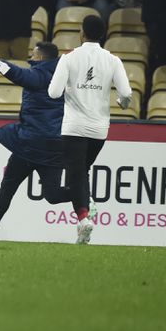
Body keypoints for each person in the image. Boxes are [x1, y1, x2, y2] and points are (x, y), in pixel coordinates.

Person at [0, 42, 69, 241]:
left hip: (30, 143)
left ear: (40, 58)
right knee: (53, 195)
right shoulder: (63, 77)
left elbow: (18, 74)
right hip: (53, 145)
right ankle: (83, 197)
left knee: (7, 188)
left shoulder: (40, 76)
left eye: (34, 54)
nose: (31, 55)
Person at [47, 14, 132, 244]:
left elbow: (53, 93)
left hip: (74, 126)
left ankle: (84, 219)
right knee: (80, 173)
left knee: (76, 176)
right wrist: (121, 104)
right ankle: (84, 215)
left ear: (81, 32)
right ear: (102, 34)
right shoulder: (113, 60)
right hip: (98, 129)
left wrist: (71, 88)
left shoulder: (69, 58)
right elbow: (126, 94)